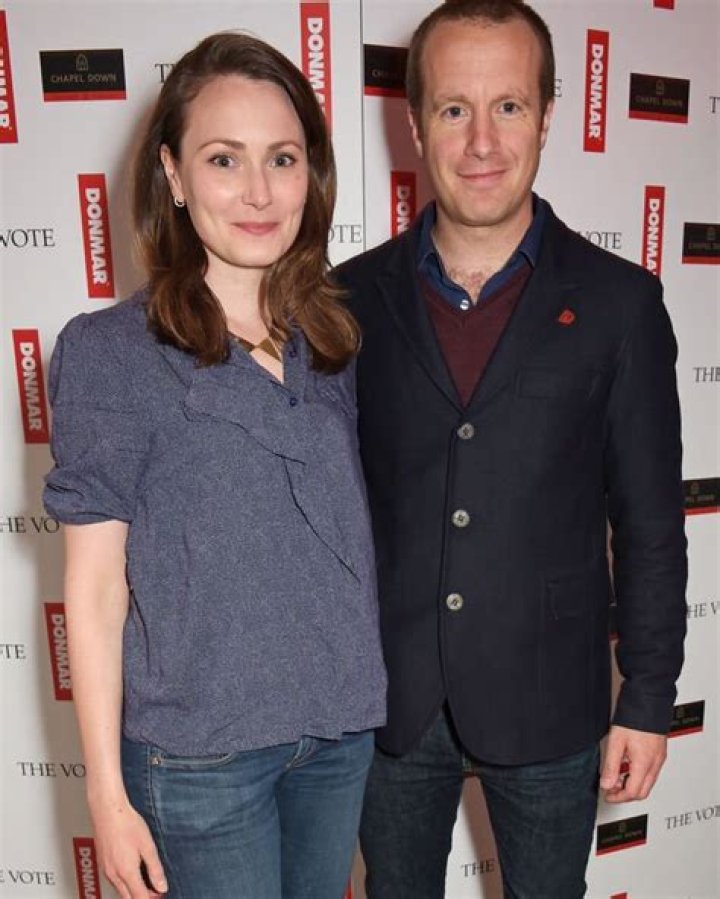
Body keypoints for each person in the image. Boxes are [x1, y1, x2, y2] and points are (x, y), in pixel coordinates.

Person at [334, 1, 687, 896]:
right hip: (388, 700)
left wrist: (648, 697)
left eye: (509, 107)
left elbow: (650, 524)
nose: (482, 141)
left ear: (548, 116)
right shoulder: (345, 299)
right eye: (455, 108)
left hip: (551, 698)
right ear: (416, 124)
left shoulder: (621, 304)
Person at [44, 32, 386, 899]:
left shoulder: (334, 339)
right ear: (173, 173)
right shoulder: (109, 353)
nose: (259, 192)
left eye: (283, 158)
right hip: (201, 760)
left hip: (338, 732)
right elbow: (95, 587)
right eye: (224, 159)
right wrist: (107, 795)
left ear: (312, 174)